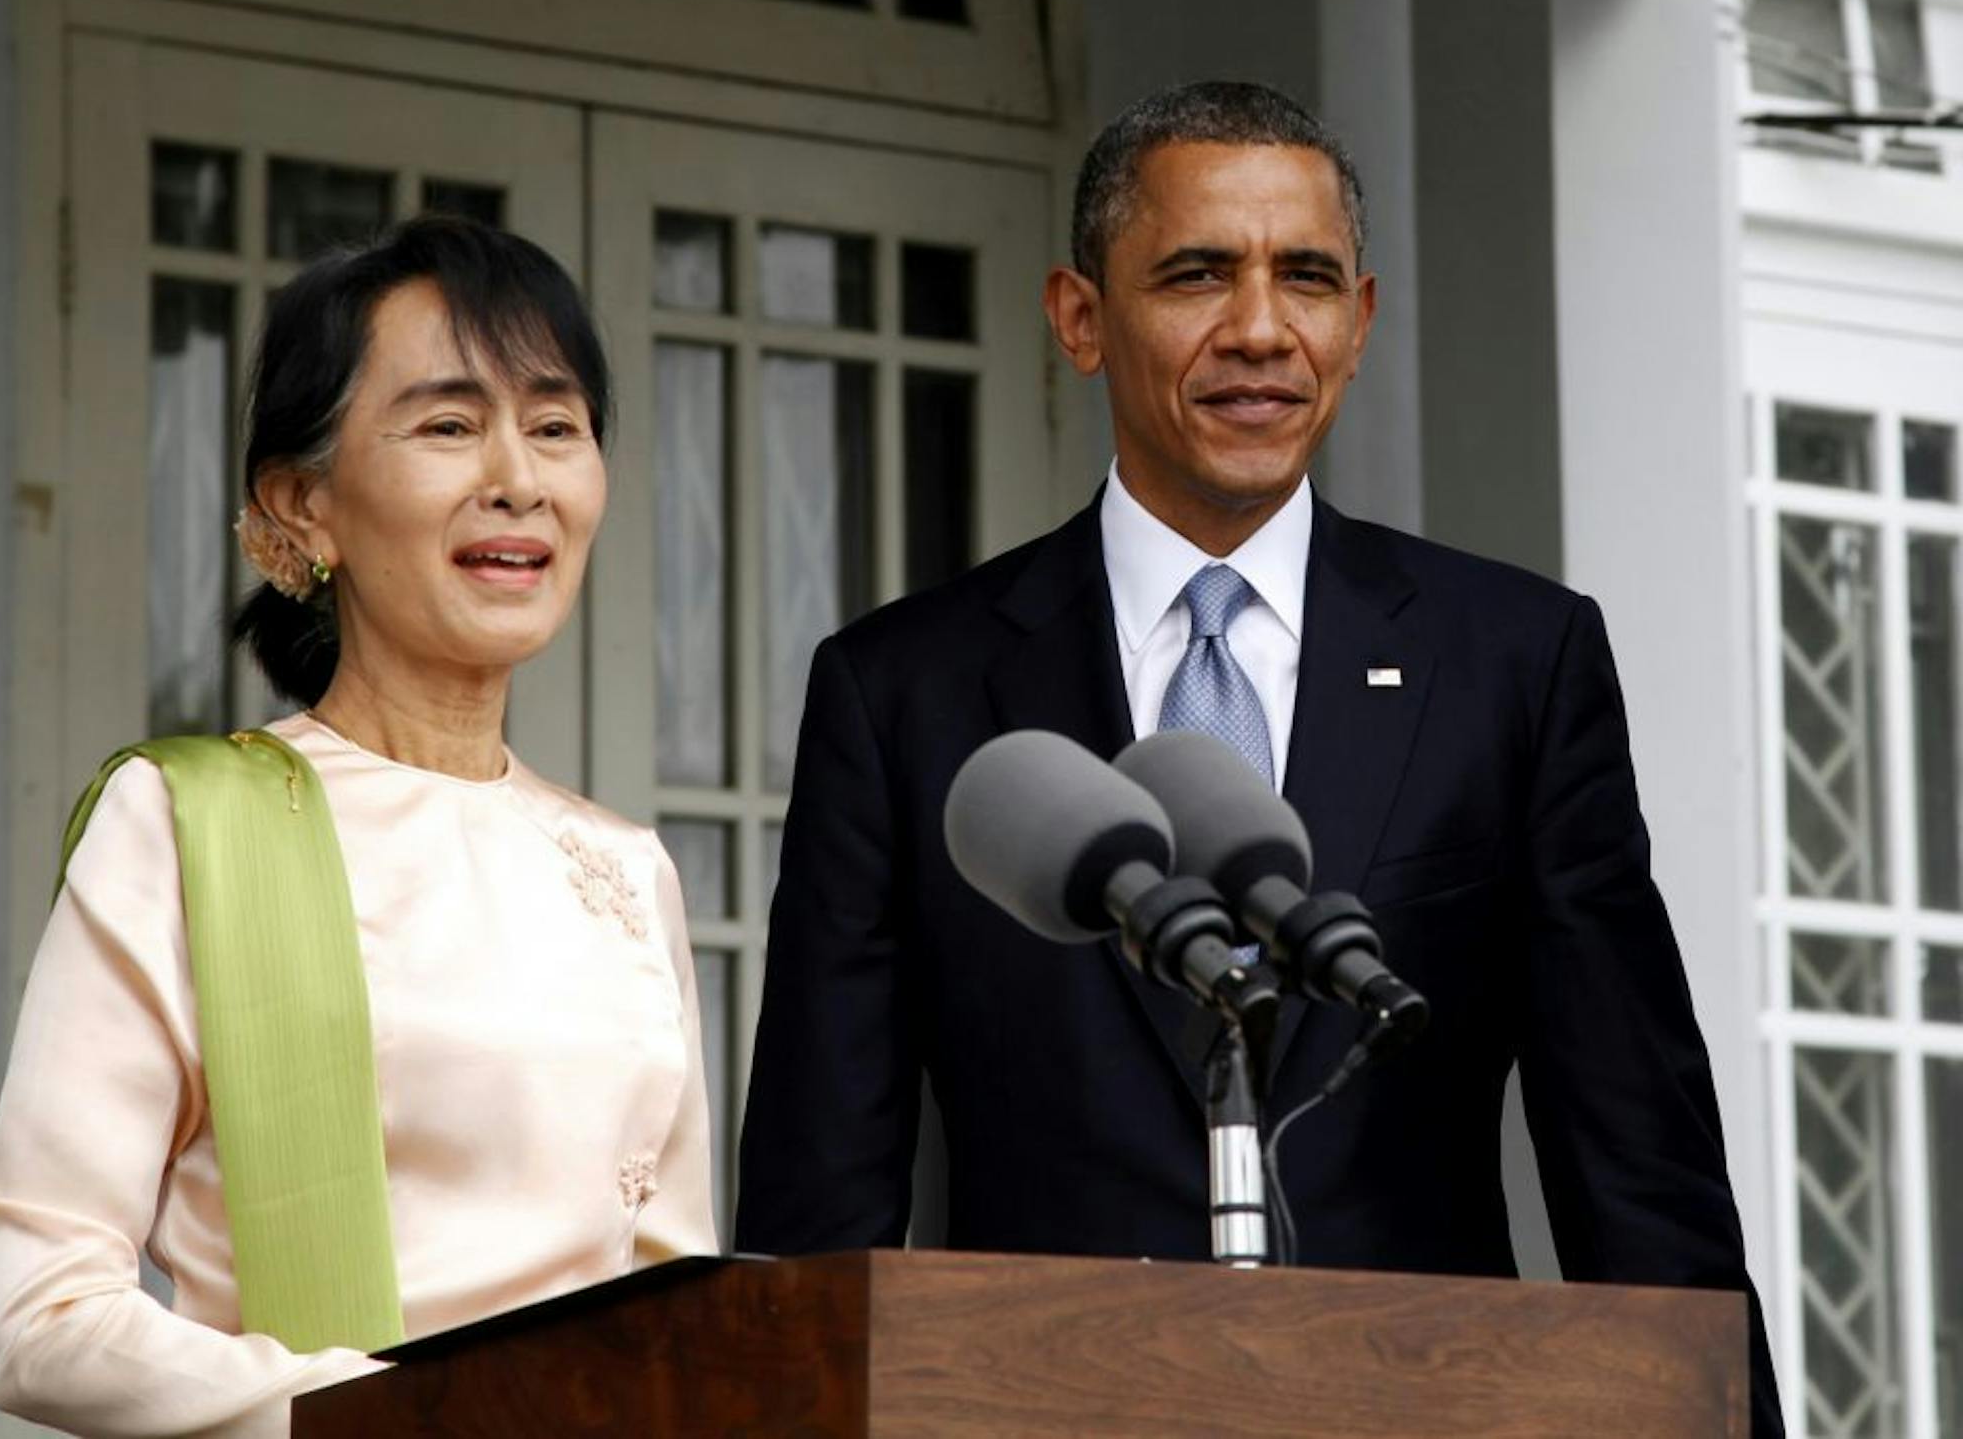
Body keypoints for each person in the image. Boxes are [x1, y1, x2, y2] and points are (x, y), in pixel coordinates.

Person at [734, 81, 1782, 1435]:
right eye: (1195, 274)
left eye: (1307, 278)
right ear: (1078, 318)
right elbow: (824, 1181)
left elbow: (1635, 1147)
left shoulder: (1514, 661)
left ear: (1362, 321)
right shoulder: (906, 692)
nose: (1260, 330)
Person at [0, 217, 715, 1438]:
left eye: (557, 424)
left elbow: (678, 1318)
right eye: (450, 423)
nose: (518, 476)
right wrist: (414, 1416)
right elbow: (38, 1312)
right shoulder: (188, 821)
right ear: (301, 505)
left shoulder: (628, 870)